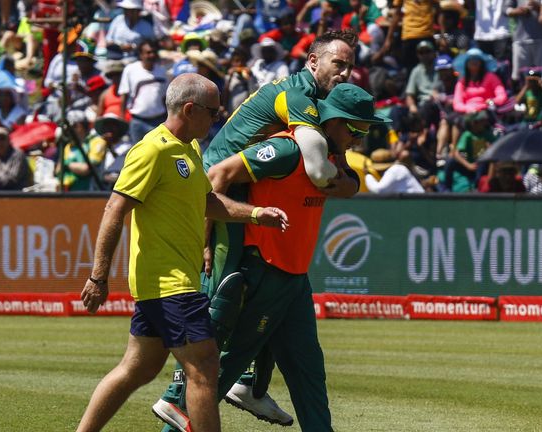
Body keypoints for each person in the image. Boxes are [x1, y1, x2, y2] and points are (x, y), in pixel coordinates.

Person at [152, 30, 360, 430]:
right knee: (227, 291)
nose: (346, 73)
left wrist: (349, 179)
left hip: (240, 188)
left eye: (350, 65)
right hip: (220, 186)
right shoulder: (296, 97)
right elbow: (315, 169)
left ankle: (247, 384)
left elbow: (338, 166)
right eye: (339, 64)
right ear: (313, 62)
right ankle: (179, 394)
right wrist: (206, 236)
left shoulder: (319, 104)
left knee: (263, 301)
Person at [76, 73, 288, 432]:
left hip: (170, 283)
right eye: (213, 112)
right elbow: (115, 209)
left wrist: (254, 214)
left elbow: (207, 201)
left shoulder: (189, 147)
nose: (216, 119)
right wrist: (98, 276)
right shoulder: (152, 150)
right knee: (204, 368)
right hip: (169, 283)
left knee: (137, 369)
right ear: (190, 110)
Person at [199, 83, 389, 431]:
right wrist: (206, 238)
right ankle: (177, 416)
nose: (360, 140)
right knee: (223, 371)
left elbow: (347, 183)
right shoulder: (286, 149)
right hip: (265, 273)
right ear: (335, 122)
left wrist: (351, 183)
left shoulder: (330, 159)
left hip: (294, 277)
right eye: (358, 130)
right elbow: (217, 175)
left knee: (309, 373)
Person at [119, 40, 169, 144]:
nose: (152, 55)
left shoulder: (162, 71)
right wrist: (122, 118)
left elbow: (165, 98)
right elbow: (124, 95)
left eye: (154, 52)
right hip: (138, 122)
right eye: (148, 52)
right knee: (137, 155)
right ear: (141, 54)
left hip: (158, 121)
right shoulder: (130, 70)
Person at [506, 0, 542, 83]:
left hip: (540, 38)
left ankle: (541, 95)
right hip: (520, 40)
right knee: (519, 75)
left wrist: (538, 7)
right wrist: (518, 11)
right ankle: (520, 93)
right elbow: (506, 10)